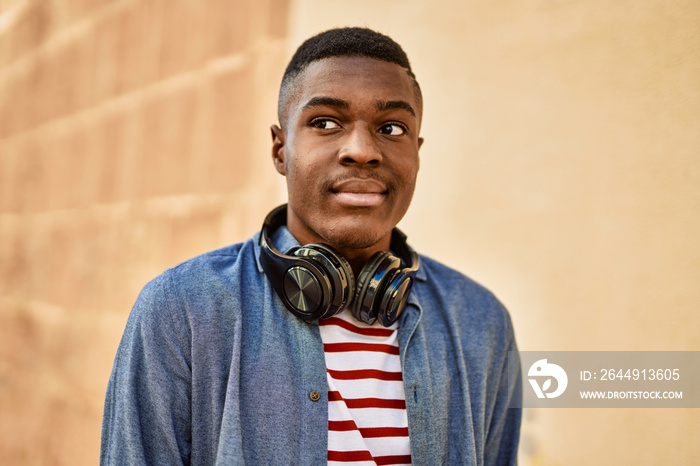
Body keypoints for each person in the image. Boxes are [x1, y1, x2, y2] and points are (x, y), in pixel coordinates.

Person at [101, 27, 522, 465]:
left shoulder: (481, 323)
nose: (361, 150)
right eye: (325, 123)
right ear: (281, 149)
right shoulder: (182, 310)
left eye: (391, 128)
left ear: (416, 153)